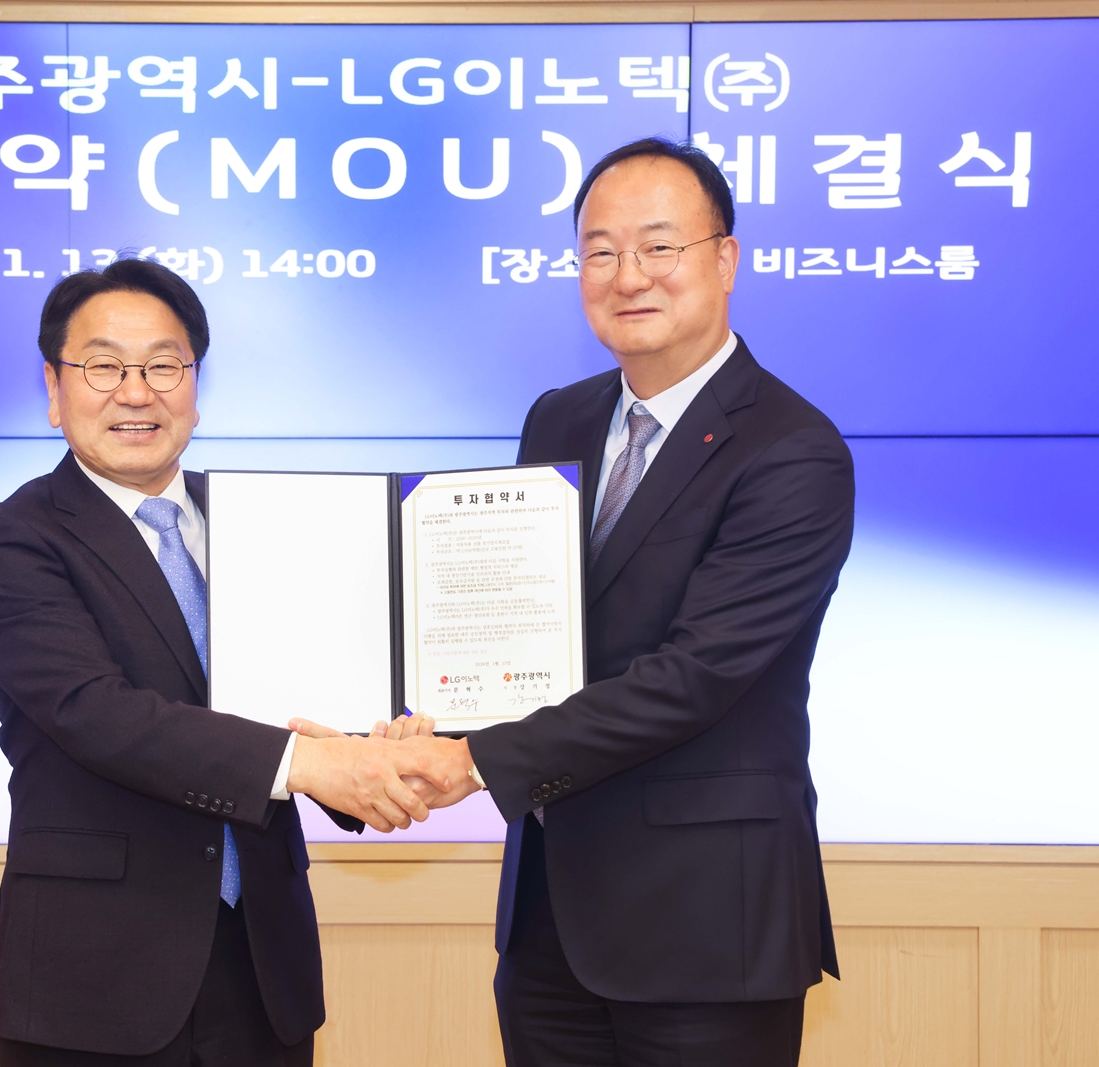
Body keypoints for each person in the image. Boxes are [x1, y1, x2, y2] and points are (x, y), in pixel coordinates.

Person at [296, 136, 853, 1066]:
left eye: (659, 246)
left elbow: (693, 677)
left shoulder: (792, 450)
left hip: (705, 927)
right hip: (551, 917)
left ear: (725, 258)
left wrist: (470, 761)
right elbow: (515, 632)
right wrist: (391, 737)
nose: (628, 275)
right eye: (600, 251)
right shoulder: (561, 417)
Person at [0, 258, 453, 1066]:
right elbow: (98, 714)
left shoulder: (269, 522)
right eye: (104, 366)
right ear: (54, 388)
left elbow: (308, 691)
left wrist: (373, 744)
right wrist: (314, 764)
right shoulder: (9, 538)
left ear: (194, 383)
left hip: (262, 969)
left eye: (163, 365)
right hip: (96, 979)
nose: (136, 392)